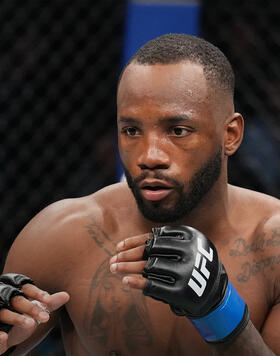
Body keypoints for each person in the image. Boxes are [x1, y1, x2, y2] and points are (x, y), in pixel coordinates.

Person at [0, 33, 280, 356]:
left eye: (177, 131)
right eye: (131, 131)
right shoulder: (63, 235)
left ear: (230, 135)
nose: (149, 155)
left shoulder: (272, 245)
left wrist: (220, 311)